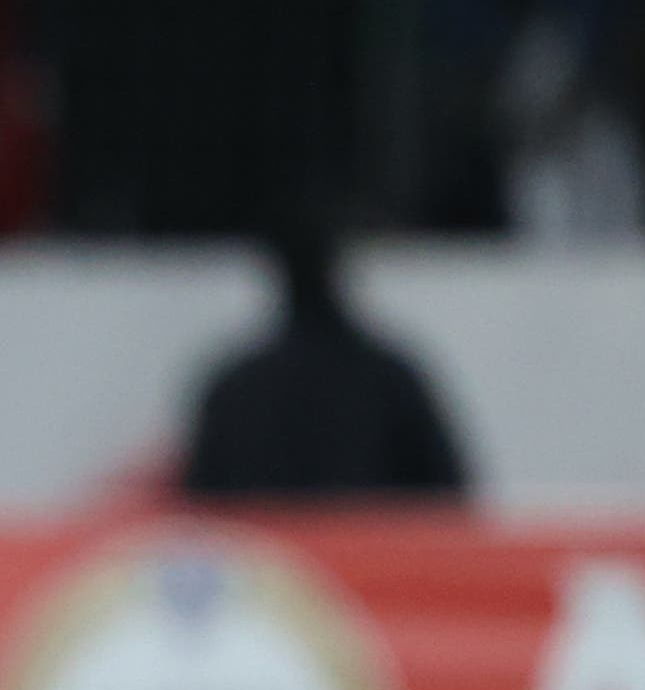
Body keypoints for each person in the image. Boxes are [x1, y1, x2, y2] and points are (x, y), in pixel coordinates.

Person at [183, 211, 468, 501]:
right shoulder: (391, 378)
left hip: (268, 544)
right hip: (368, 543)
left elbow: (200, 508)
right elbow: (450, 495)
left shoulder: (235, 386)